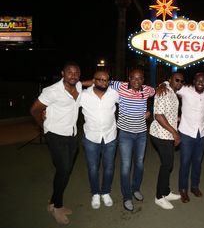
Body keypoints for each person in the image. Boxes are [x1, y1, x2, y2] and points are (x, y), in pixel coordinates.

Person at [30, 62, 82, 225]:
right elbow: (34, 109)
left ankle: (53, 202)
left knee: (66, 170)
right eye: (69, 72)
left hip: (72, 134)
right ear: (62, 73)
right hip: (56, 135)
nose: (73, 75)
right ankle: (57, 206)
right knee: (64, 169)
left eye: (76, 72)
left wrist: (95, 81)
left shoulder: (79, 85)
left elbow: (88, 82)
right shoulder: (51, 91)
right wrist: (43, 126)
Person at [110, 68, 155, 211]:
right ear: (129, 78)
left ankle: (135, 188)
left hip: (141, 134)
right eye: (134, 78)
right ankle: (127, 196)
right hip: (125, 134)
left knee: (140, 164)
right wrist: (77, 84)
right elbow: (100, 81)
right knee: (125, 166)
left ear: (143, 80)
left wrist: (150, 111)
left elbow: (159, 91)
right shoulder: (120, 86)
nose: (137, 81)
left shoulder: (147, 90)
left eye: (140, 78)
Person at [79, 71, 119, 209]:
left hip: (110, 137)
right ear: (93, 81)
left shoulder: (114, 93)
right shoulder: (83, 95)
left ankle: (106, 192)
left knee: (109, 168)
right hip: (91, 137)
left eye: (106, 80)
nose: (103, 82)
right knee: (93, 168)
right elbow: (68, 104)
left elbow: (130, 99)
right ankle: (95, 193)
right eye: (100, 79)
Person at [149, 73, 185, 209]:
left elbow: (169, 114)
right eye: (177, 80)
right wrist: (175, 133)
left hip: (167, 134)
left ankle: (166, 191)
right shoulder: (163, 91)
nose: (179, 82)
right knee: (166, 165)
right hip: (161, 134)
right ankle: (159, 197)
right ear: (170, 79)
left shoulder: (172, 92)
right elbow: (158, 115)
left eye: (181, 81)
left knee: (168, 164)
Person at [177, 72, 204, 203]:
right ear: (193, 81)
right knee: (185, 163)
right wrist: (163, 85)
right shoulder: (185, 90)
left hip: (201, 134)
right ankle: (183, 190)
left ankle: (194, 187)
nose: (200, 82)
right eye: (198, 80)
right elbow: (172, 85)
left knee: (197, 163)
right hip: (186, 133)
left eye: (203, 81)